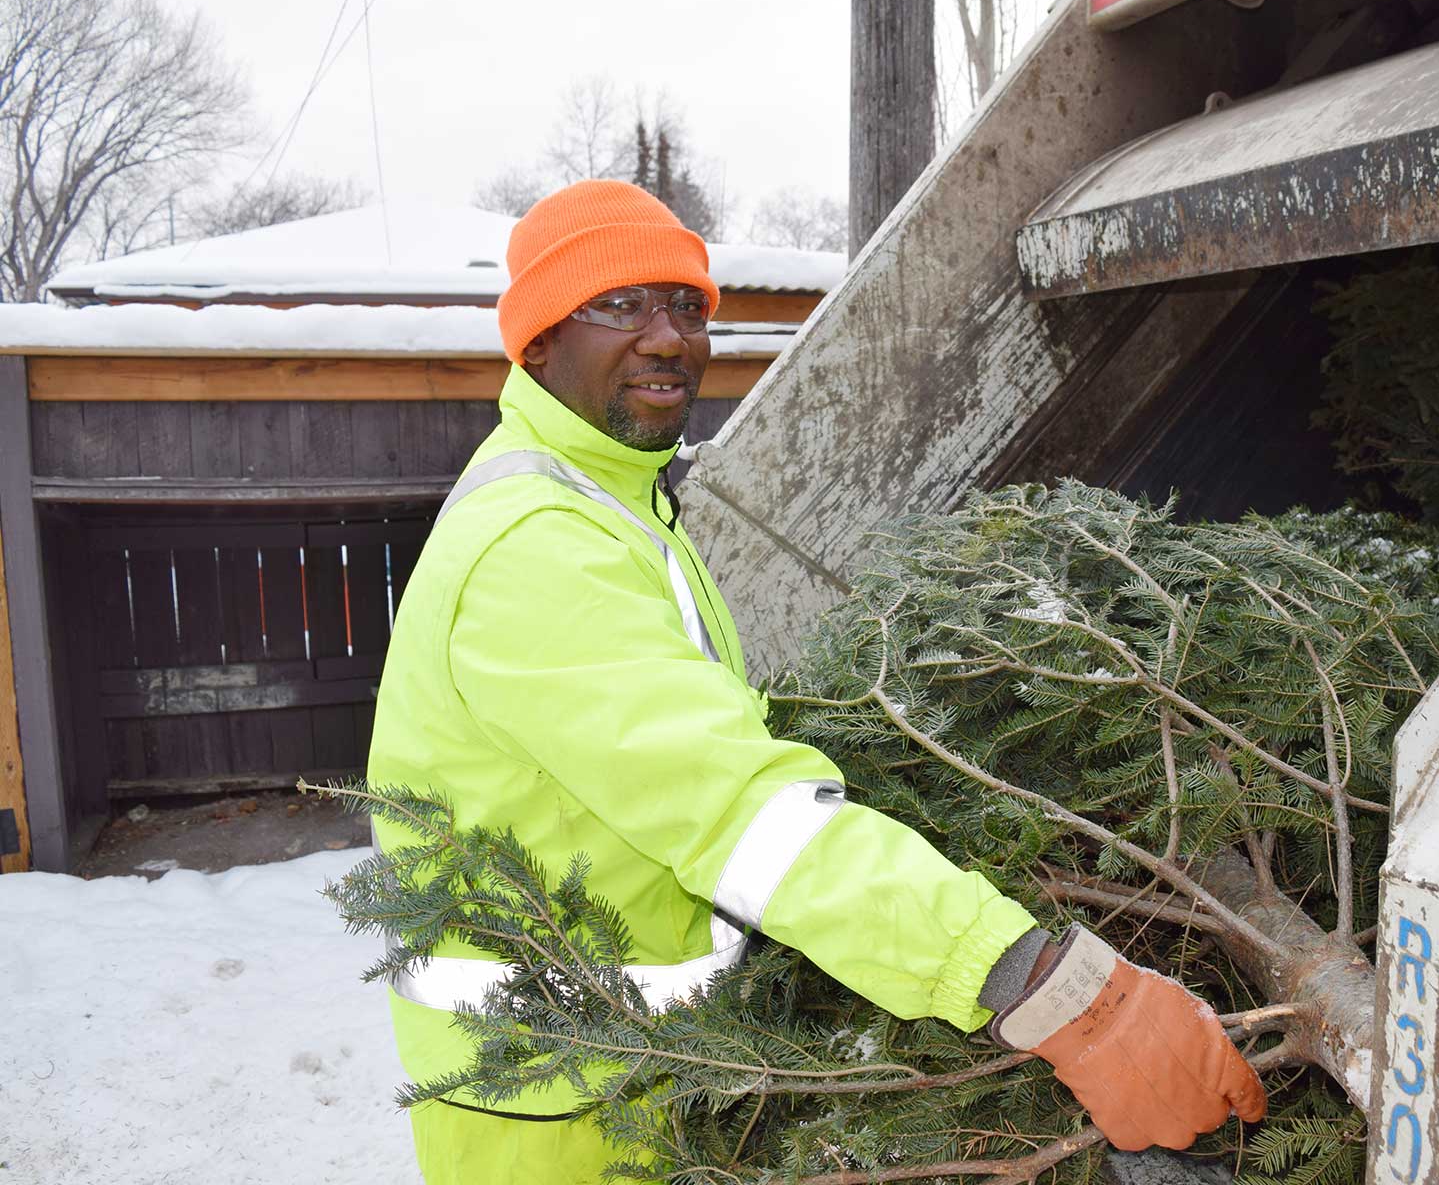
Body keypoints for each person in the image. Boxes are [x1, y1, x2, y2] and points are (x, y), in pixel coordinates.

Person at [366, 179, 1266, 1184]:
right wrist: (1048, 989)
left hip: (625, 1070)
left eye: (688, 306)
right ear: (536, 341)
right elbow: (738, 817)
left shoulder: (612, 503)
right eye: (618, 304)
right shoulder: (538, 548)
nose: (668, 337)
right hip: (553, 1109)